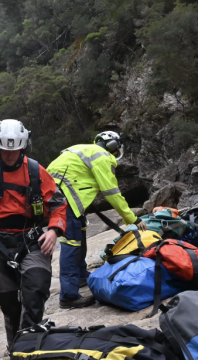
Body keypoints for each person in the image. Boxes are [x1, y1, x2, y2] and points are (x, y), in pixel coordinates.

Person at [0, 119, 68, 348]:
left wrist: (55, 230)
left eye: (15, 149)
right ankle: (15, 350)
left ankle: (29, 347)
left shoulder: (37, 171)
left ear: (23, 146)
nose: (10, 155)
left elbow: (58, 204)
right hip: (0, 245)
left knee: (36, 290)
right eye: (5, 150)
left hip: (32, 240)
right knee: (10, 306)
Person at [46, 131, 147, 309]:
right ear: (114, 147)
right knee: (71, 244)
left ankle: (81, 276)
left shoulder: (82, 148)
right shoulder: (103, 156)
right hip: (65, 199)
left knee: (79, 233)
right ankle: (68, 296)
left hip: (55, 194)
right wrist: (132, 218)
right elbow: (111, 192)